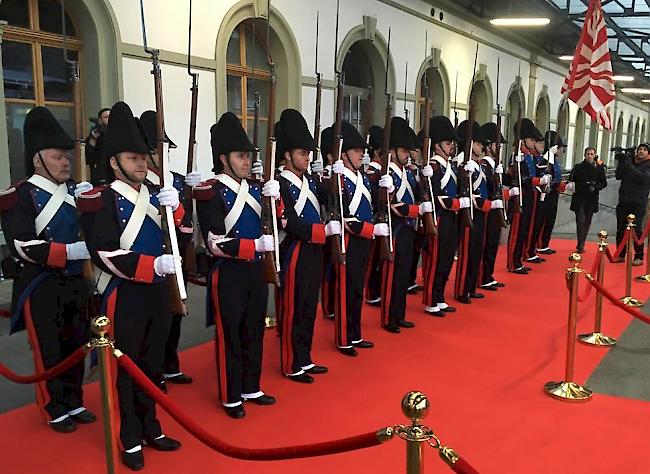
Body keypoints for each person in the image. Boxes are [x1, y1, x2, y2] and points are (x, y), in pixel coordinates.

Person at [78, 101, 182, 470]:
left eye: (143, 157)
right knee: (128, 368)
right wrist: (152, 265)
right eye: (132, 157)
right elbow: (104, 252)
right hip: (123, 294)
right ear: (113, 162)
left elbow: (179, 235)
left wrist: (178, 208)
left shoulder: (158, 195)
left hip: (156, 292)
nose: (141, 163)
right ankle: (130, 436)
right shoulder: (100, 200)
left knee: (152, 366)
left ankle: (151, 426)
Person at [0, 107, 96, 433]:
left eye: (66, 156)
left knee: (77, 342)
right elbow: (23, 246)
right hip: (40, 284)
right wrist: (70, 251)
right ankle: (53, 406)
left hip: (75, 282)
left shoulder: (76, 192)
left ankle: (75, 399)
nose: (66, 162)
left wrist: (92, 209)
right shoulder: (18, 196)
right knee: (49, 348)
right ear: (38, 159)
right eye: (58, 157)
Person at [194, 112, 278, 419]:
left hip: (255, 270)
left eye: (248, 156)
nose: (246, 161)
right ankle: (231, 393)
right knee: (229, 332)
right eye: (241, 156)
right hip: (228, 272)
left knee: (254, 328)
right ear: (223, 158)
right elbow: (214, 241)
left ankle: (250, 385)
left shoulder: (257, 188)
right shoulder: (210, 191)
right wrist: (254, 246)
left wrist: (274, 196)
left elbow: (275, 218)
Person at [139, 110, 201, 389]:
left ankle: (170, 364)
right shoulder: (137, 182)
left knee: (175, 313)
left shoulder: (175, 181)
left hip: (176, 254)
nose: (163, 154)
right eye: (158, 149)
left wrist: (187, 198)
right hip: (151, 258)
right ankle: (153, 371)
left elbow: (187, 225)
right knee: (153, 322)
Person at [274, 109, 335, 382]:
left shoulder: (309, 179)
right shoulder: (278, 184)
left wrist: (336, 174)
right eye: (302, 153)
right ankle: (291, 362)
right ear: (287, 154)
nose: (307, 157)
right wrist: (323, 232)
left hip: (313, 250)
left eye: (309, 153)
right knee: (293, 308)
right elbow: (290, 223)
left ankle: (304, 357)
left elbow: (331, 196)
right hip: (295, 250)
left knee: (310, 305)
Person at [332, 121, 388, 355]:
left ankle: (355, 333)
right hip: (350, 240)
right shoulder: (338, 179)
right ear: (344, 154)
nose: (361, 155)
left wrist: (386, 188)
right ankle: (344, 337)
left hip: (364, 241)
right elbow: (347, 218)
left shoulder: (362, 178)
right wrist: (371, 230)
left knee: (357, 289)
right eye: (356, 151)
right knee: (347, 290)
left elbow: (371, 204)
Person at [380, 116, 431, 332]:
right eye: (402, 150)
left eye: (407, 150)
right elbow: (395, 206)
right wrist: (417, 209)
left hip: (409, 229)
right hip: (395, 229)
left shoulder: (409, 172)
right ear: (391, 150)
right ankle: (388, 317)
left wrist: (424, 179)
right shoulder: (387, 174)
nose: (406, 154)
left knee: (403, 275)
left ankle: (399, 314)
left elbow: (418, 195)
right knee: (391, 276)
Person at [423, 115, 466, 316]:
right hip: (440, 217)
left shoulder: (450, 166)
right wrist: (458, 203)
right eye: (448, 143)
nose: (451, 146)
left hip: (451, 218)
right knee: (436, 259)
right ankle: (431, 298)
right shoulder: (433, 167)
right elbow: (436, 197)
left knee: (448, 258)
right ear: (437, 146)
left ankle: (439, 296)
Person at [478, 121, 509, 291]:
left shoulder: (493, 165)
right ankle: (483, 276)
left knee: (493, 243)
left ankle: (488, 275)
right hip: (488, 209)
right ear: (489, 146)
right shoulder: (484, 165)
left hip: (495, 207)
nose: (500, 147)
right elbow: (486, 188)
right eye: (497, 144)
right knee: (487, 242)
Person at [615, 143, 650, 265]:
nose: (641, 151)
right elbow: (618, 176)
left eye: (644, 150)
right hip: (624, 200)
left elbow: (642, 178)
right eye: (640, 149)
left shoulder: (648, 165)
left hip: (638, 202)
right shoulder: (630, 162)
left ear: (648, 153)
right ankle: (620, 254)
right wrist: (621, 162)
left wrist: (629, 164)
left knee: (637, 229)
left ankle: (639, 256)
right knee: (620, 228)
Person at [569, 147, 607, 253]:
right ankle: (580, 243)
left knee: (587, 221)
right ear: (584, 155)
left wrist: (596, 187)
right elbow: (571, 180)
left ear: (595, 155)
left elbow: (604, 182)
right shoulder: (578, 167)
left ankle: (582, 241)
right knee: (580, 220)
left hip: (592, 198)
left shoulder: (599, 168)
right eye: (588, 154)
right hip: (579, 197)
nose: (589, 156)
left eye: (591, 154)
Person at [537, 131, 567, 255]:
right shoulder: (546, 158)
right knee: (544, 219)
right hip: (546, 193)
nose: (561, 151)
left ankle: (545, 243)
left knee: (550, 219)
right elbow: (543, 172)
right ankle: (540, 244)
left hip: (554, 192)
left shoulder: (554, 159)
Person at [85, 107, 111, 185]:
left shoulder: (117, 134)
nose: (110, 119)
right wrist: (93, 139)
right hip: (101, 177)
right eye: (106, 117)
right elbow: (89, 158)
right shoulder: (95, 135)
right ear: (100, 120)